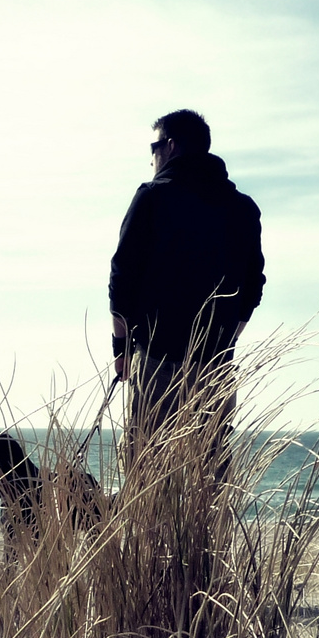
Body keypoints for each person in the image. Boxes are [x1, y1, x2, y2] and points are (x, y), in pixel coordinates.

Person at [107, 109, 264, 466]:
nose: (151, 158)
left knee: (144, 475)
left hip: (156, 359)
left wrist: (120, 350)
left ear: (171, 146)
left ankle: (148, 526)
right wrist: (227, 339)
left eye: (154, 146)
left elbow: (122, 279)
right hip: (216, 365)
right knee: (210, 477)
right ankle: (204, 526)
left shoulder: (152, 197)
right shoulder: (242, 208)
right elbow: (253, 288)